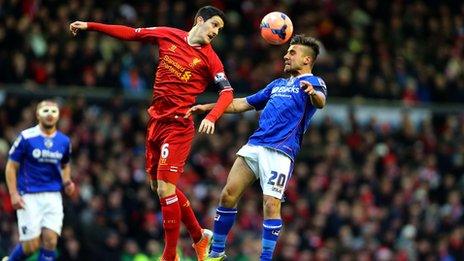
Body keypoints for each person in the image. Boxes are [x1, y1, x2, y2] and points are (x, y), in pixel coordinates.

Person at [69, 5, 234, 261]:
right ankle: (200, 237)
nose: (215, 31)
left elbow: (227, 93)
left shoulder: (211, 59)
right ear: (199, 20)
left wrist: (212, 116)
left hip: (178, 126)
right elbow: (132, 33)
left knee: (166, 189)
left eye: (219, 29)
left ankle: (170, 255)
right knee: (158, 186)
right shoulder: (169, 35)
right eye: (214, 24)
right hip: (156, 121)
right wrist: (91, 25)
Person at [186, 35, 327, 261]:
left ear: (307, 59)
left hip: (281, 152)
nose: (286, 55)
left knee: (271, 205)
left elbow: (320, 101)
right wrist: (208, 108)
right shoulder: (276, 85)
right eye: (287, 51)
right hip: (255, 145)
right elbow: (241, 103)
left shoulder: (315, 83)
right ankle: (216, 252)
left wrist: (312, 93)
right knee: (228, 195)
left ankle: (265, 258)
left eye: (292, 52)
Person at [2, 100, 75, 261]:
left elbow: (65, 165)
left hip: (53, 195)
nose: (49, 114)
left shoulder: (64, 141)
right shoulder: (26, 137)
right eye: (45, 110)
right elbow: (11, 167)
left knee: (50, 240)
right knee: (31, 246)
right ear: (38, 114)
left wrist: (67, 181)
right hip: (29, 195)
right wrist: (13, 194)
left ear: (58, 116)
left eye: (53, 111)